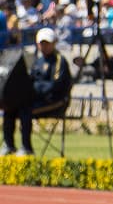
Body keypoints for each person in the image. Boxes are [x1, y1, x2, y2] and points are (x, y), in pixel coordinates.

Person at [2, 28, 71, 156]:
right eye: (42, 43)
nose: (44, 46)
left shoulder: (59, 60)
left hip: (56, 101)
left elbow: (56, 85)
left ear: (54, 43)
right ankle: (9, 145)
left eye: (47, 43)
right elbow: (30, 80)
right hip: (37, 99)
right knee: (10, 108)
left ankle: (26, 148)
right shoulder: (38, 61)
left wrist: (34, 90)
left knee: (25, 110)